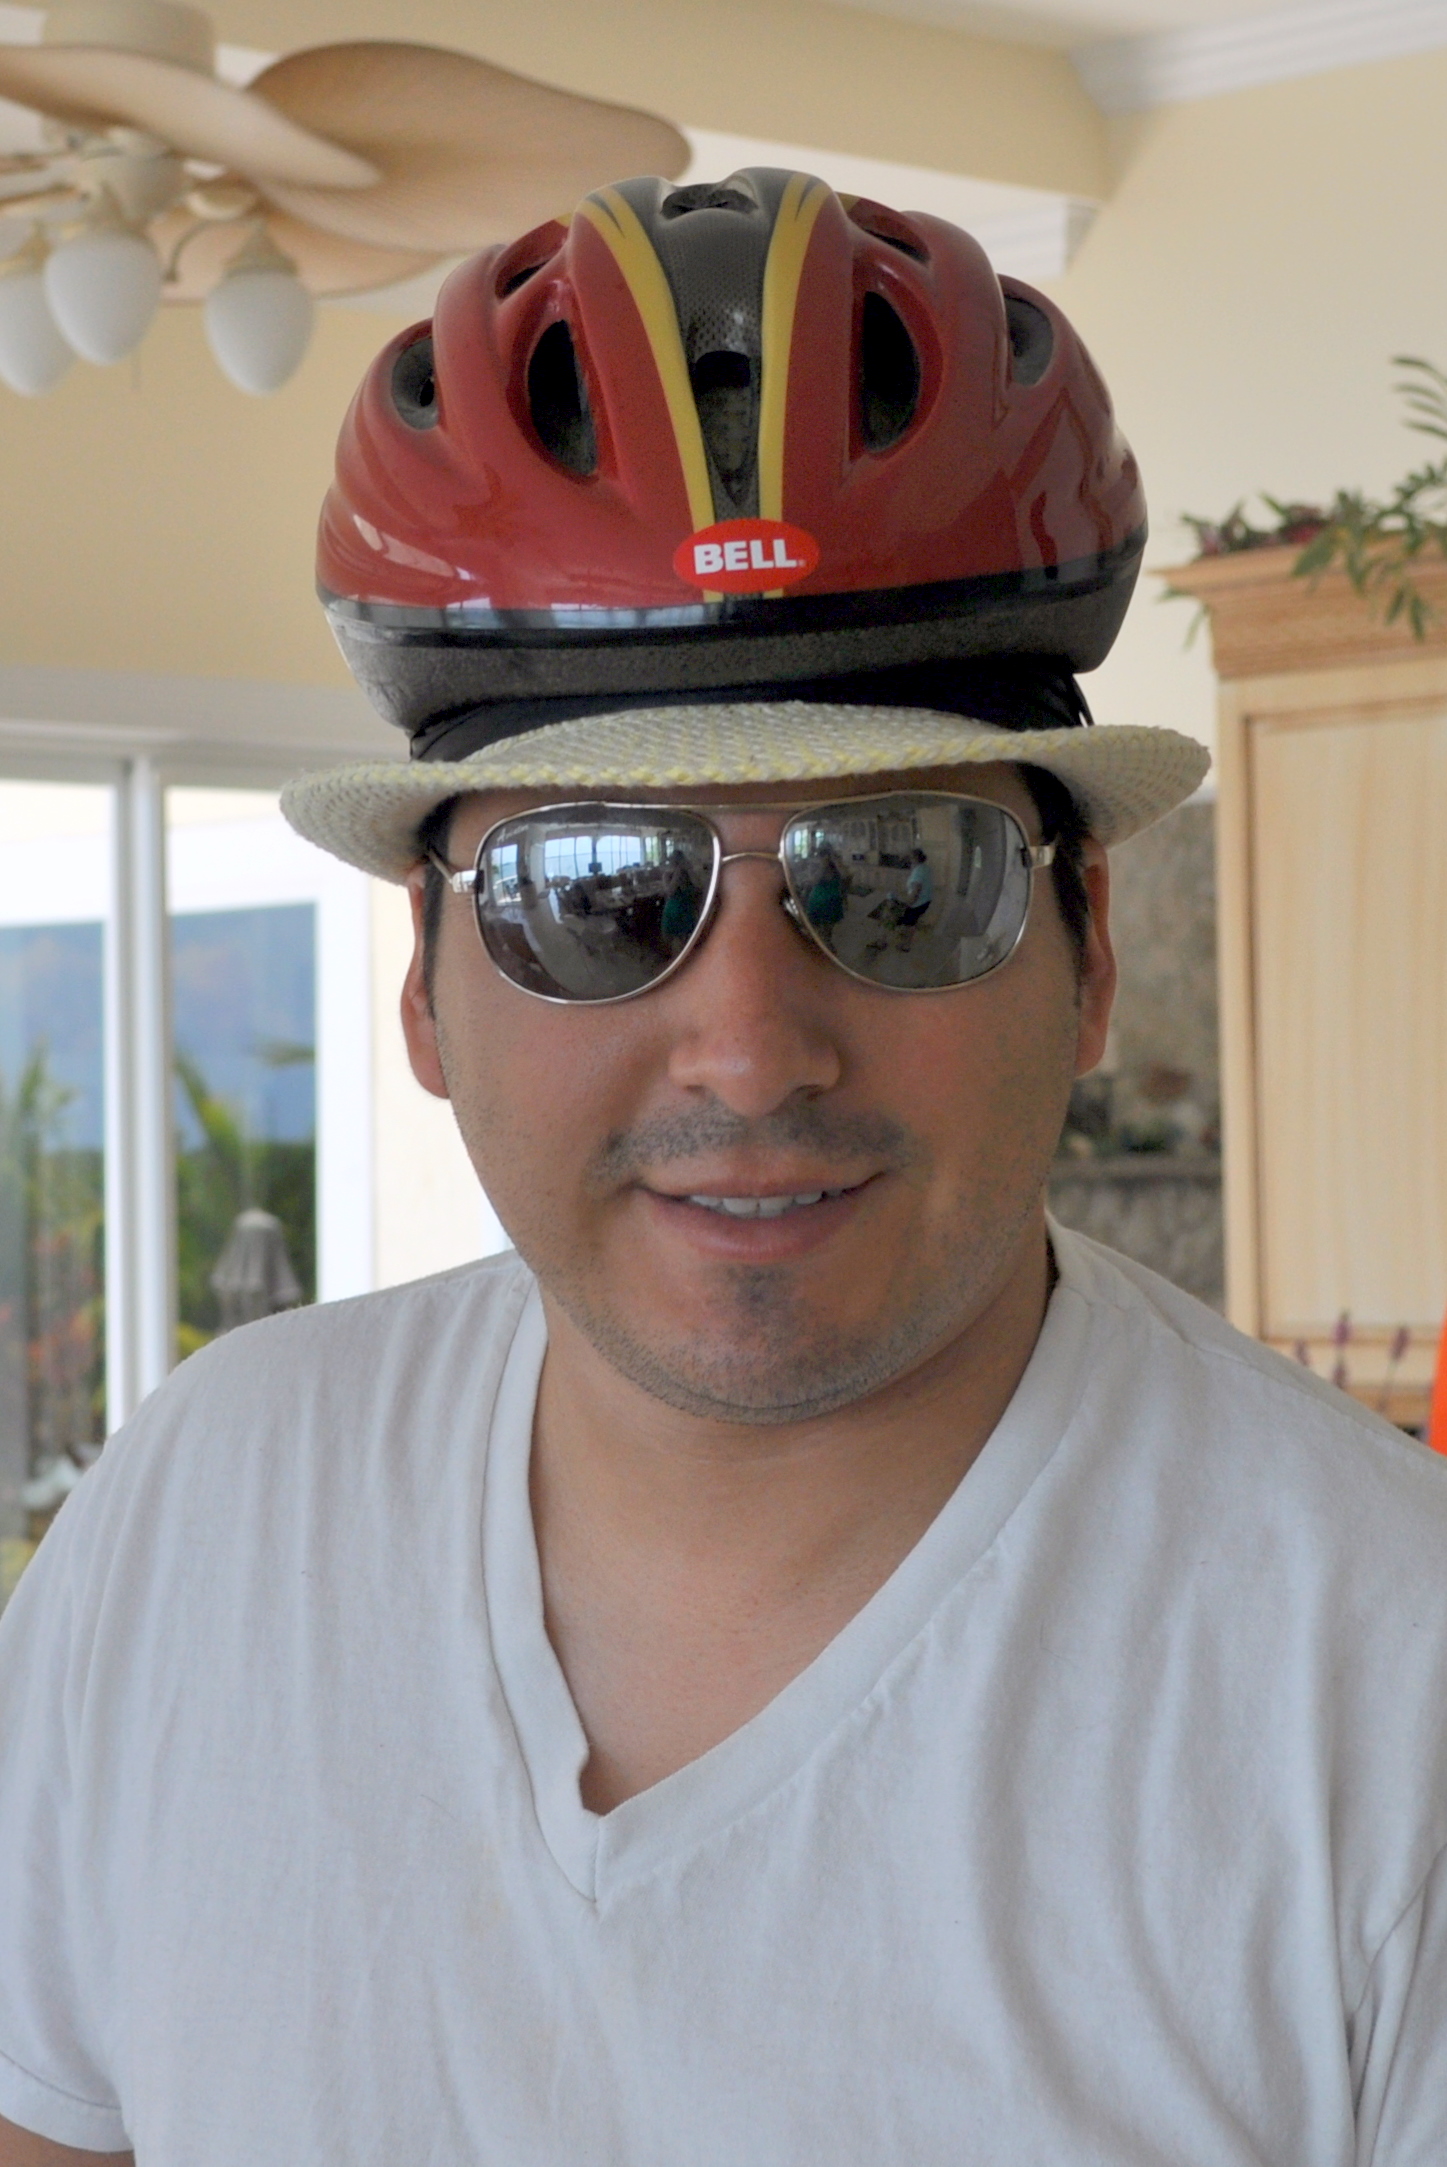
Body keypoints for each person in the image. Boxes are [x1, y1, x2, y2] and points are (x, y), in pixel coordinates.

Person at [2, 171, 1445, 2167]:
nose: (753, 1047)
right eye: (596, 892)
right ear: (422, 986)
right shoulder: (202, 1521)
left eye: (902, 876)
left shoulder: (1386, 1681)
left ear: (1091, 951)